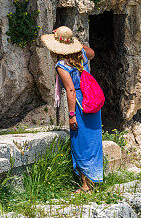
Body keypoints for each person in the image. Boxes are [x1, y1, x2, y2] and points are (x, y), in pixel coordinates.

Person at [41, 26, 103, 192]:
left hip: (80, 104)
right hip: (92, 100)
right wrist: (76, 45)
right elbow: (92, 53)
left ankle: (85, 186)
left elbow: (70, 90)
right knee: (93, 142)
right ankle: (94, 180)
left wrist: (71, 115)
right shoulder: (81, 56)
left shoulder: (62, 65)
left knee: (80, 143)